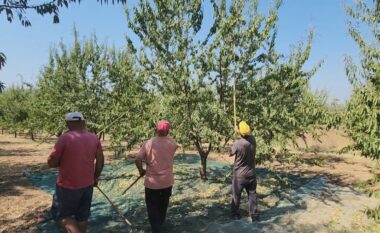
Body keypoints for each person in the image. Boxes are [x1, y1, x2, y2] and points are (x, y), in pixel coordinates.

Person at [47, 112, 104, 233]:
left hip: (68, 187)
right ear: (83, 122)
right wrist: (96, 177)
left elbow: (52, 162)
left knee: (63, 216)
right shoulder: (94, 137)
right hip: (88, 186)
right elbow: (100, 160)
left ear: (67, 124)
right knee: (82, 217)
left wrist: (55, 161)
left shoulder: (65, 138)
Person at [135, 120, 178, 233]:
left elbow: (138, 159)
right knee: (162, 208)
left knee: (153, 210)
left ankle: (157, 229)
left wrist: (141, 171)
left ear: (155, 130)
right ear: (168, 131)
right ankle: (159, 227)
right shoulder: (173, 144)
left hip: (152, 184)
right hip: (166, 182)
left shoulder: (148, 143)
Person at [229, 121, 259, 222]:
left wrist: (236, 136)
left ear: (240, 133)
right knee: (252, 194)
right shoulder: (253, 140)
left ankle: (235, 214)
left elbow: (230, 153)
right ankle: (254, 215)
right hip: (251, 174)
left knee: (236, 196)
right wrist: (239, 132)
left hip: (239, 176)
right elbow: (245, 136)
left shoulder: (238, 144)